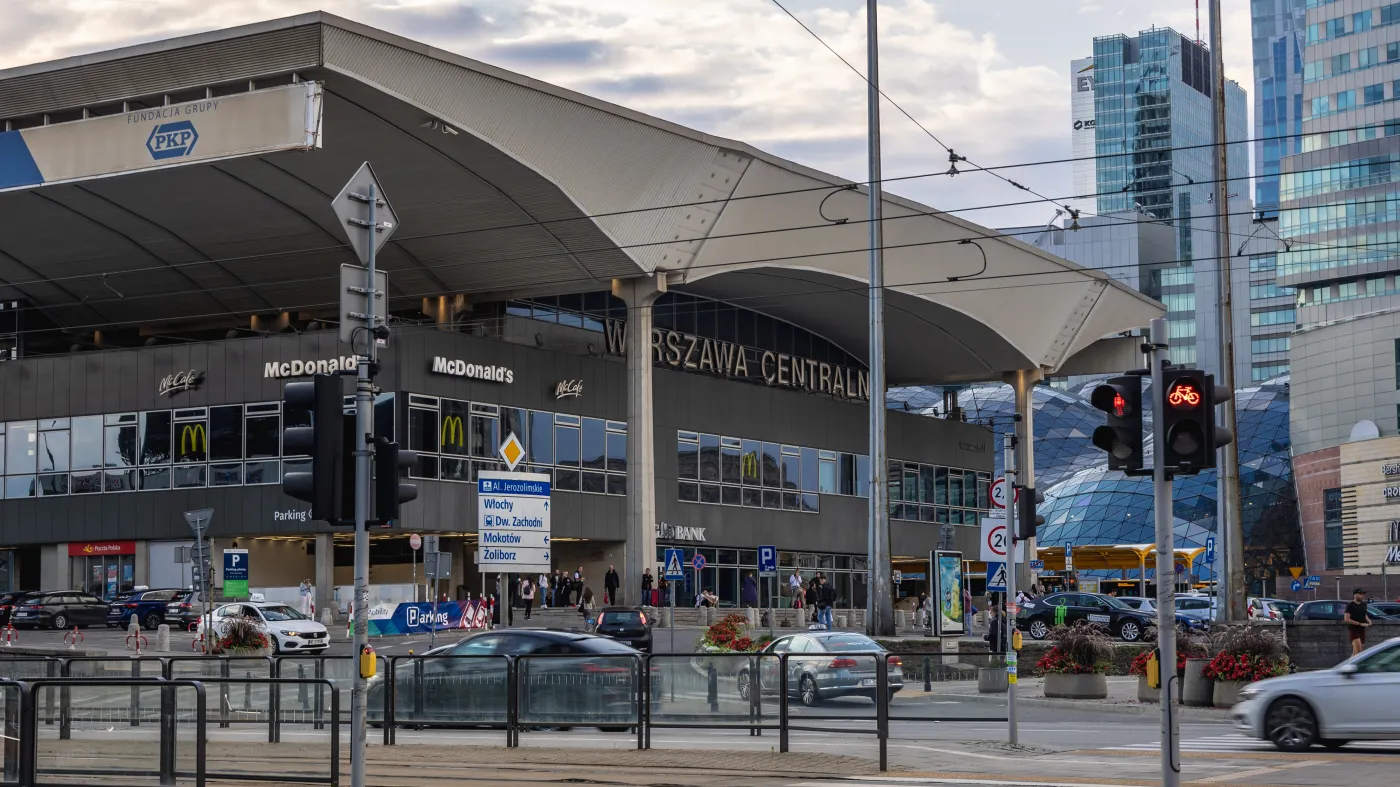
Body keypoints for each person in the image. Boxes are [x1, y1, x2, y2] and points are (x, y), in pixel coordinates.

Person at [1344, 587, 1371, 656]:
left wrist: (1368, 620)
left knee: (1355, 654)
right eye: (1360, 594)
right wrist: (1359, 624)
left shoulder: (1364, 604)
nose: (1362, 595)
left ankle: (1346, 666)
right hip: (1354, 630)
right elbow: (1346, 619)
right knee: (1359, 653)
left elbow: (1364, 614)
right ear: (1355, 595)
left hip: (1362, 630)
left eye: (1362, 594)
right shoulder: (1350, 605)